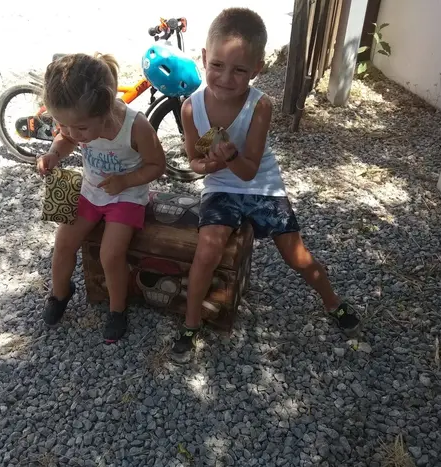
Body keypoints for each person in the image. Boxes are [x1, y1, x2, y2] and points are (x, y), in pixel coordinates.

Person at [171, 8, 361, 362]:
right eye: (217, 65)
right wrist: (210, 164)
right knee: (207, 253)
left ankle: (333, 302)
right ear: (204, 58)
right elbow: (194, 161)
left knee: (295, 255)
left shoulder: (260, 105)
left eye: (239, 70)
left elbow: (248, 171)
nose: (225, 78)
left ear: (257, 69)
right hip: (220, 185)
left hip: (261, 182)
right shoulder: (190, 109)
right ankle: (191, 324)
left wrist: (228, 156)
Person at [36, 53, 166, 343]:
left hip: (126, 196)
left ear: (106, 109)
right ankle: (60, 293)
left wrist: (126, 181)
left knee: (111, 254)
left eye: (81, 128)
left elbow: (157, 164)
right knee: (63, 242)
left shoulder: (135, 126)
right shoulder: (76, 121)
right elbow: (65, 140)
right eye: (63, 124)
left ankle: (117, 309)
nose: (74, 133)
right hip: (90, 191)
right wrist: (53, 154)